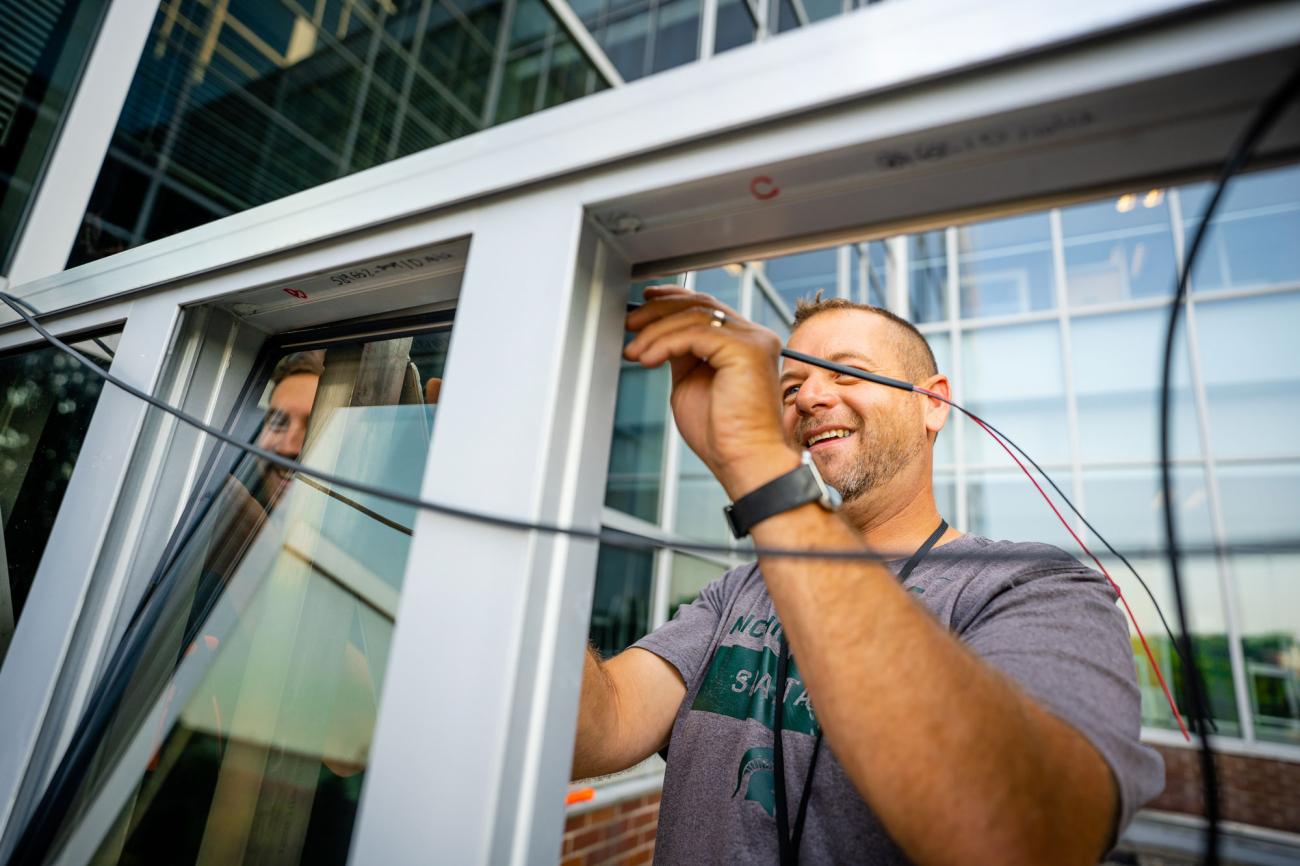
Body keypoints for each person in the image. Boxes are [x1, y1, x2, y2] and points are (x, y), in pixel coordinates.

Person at [572, 285, 1164, 865]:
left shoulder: (1032, 585)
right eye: (791, 386)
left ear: (932, 402)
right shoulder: (741, 590)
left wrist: (758, 466)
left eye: (846, 373)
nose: (807, 399)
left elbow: (1033, 838)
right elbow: (603, 727)